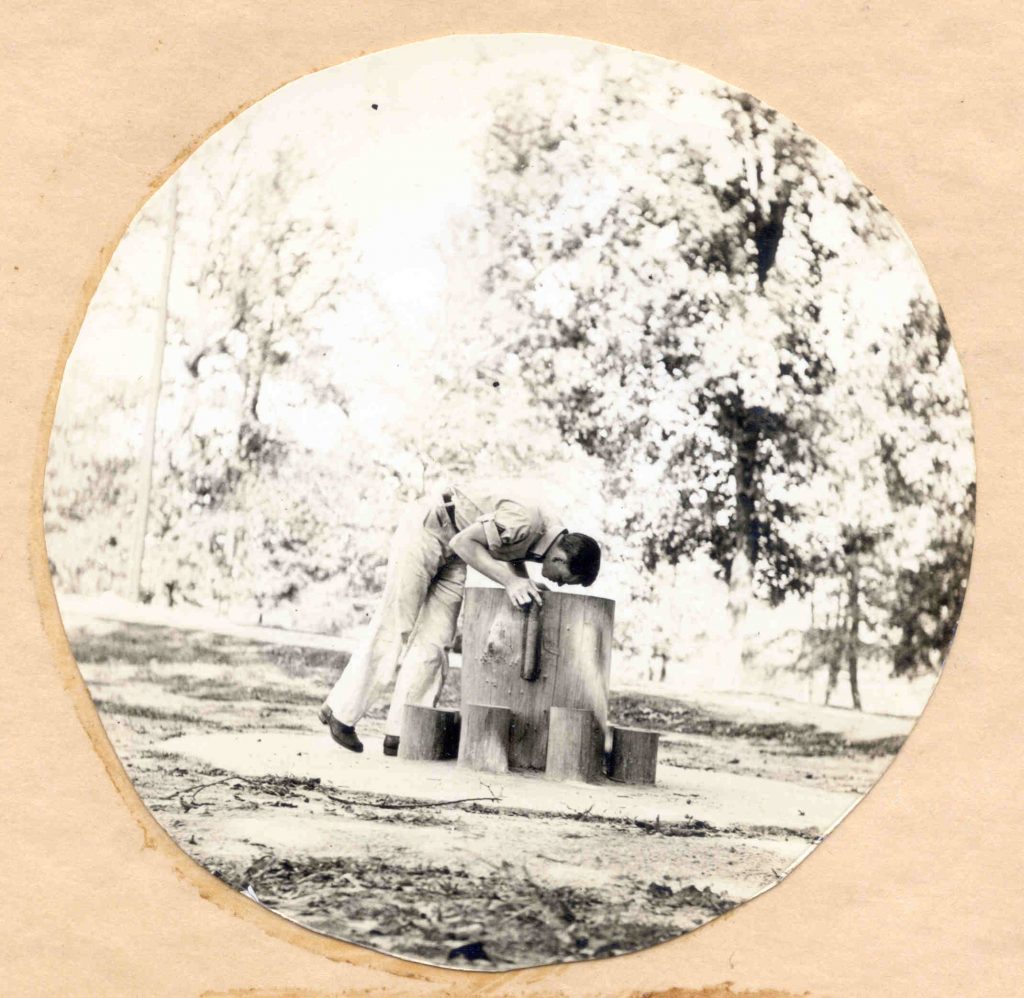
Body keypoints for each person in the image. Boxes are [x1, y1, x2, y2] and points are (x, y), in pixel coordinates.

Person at [318, 482, 602, 755]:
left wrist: (522, 581)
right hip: (431, 526)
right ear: (561, 560)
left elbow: (510, 549)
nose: (560, 586)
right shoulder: (526, 521)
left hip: (456, 551)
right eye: (566, 580)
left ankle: (406, 731)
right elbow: (464, 541)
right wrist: (510, 582)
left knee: (438, 638)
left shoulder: (552, 534)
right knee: (396, 624)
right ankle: (341, 714)